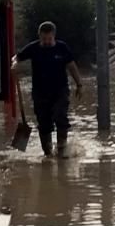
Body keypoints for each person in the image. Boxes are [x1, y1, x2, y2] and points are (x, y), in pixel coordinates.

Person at [11, 21, 82, 158]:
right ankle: (48, 155)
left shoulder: (62, 48)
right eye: (44, 39)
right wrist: (14, 64)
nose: (47, 42)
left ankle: (62, 151)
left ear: (54, 36)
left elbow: (72, 66)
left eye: (49, 39)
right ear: (39, 36)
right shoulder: (33, 48)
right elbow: (17, 57)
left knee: (60, 116)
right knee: (44, 124)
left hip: (60, 90)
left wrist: (79, 84)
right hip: (40, 92)